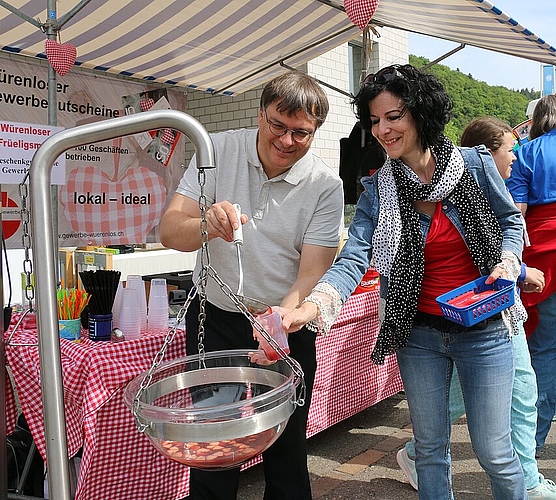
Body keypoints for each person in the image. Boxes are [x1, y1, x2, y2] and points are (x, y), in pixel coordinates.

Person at [282, 64, 528, 499]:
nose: (382, 129)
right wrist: (313, 305)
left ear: (420, 113)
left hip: (486, 330)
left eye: (393, 116)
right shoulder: (379, 188)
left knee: (494, 452)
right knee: (430, 449)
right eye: (375, 121)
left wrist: (508, 260)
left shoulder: (474, 165)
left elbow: (510, 221)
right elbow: (354, 257)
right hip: (418, 335)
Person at [159, 71, 344, 500]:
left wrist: (281, 319)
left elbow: (311, 271)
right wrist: (206, 224)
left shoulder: (324, 184)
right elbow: (170, 231)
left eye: (301, 133)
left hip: (285, 323)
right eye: (278, 125)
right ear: (260, 114)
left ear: (315, 131)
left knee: (286, 446)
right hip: (217, 316)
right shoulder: (216, 150)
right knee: (215, 441)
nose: (286, 141)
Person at [396, 116, 553, 499]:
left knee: (497, 444)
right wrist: (320, 301)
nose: (515, 160)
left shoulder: (481, 177)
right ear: (487, 150)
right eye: (509, 151)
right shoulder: (387, 184)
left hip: (489, 321)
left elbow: (507, 232)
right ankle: (528, 480)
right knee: (436, 443)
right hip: (423, 329)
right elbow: (359, 254)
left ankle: (526, 480)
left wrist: (515, 267)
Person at [506, 94, 556, 460]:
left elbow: (514, 213)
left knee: (543, 353)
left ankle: (530, 445)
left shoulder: (526, 152)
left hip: (543, 260)